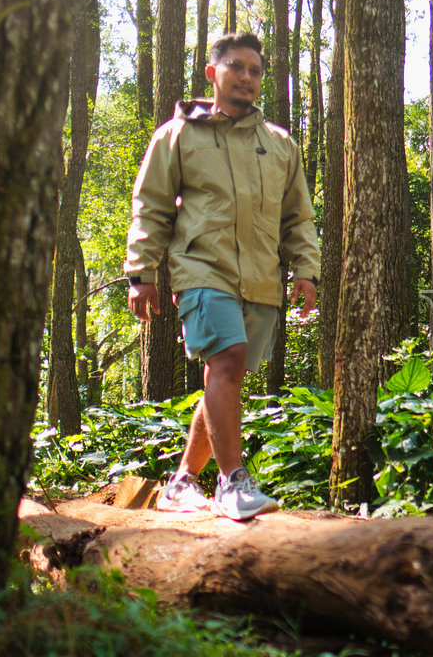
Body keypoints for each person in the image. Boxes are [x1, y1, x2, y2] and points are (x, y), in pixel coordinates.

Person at [123, 31, 320, 520]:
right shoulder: (177, 135)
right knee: (228, 361)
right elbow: (150, 207)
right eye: (237, 67)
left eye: (255, 71)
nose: (247, 78)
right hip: (200, 269)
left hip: (259, 277)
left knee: (224, 375)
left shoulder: (278, 145)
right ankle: (232, 483)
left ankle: (181, 482)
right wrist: (141, 272)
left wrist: (306, 270)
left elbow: (298, 216)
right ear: (213, 74)